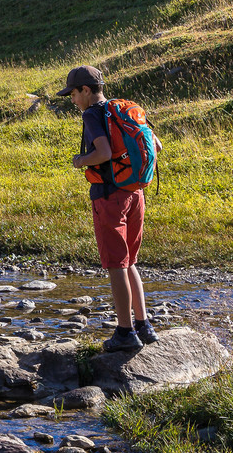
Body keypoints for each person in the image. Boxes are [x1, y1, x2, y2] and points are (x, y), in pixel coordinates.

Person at [60, 65, 161, 352]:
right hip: (135, 193)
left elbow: (102, 153)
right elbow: (156, 144)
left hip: (109, 197)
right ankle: (144, 325)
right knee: (130, 262)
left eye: (74, 93)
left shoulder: (92, 114)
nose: (72, 99)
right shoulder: (123, 111)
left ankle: (125, 332)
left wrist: (81, 160)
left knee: (116, 265)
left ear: (87, 91)